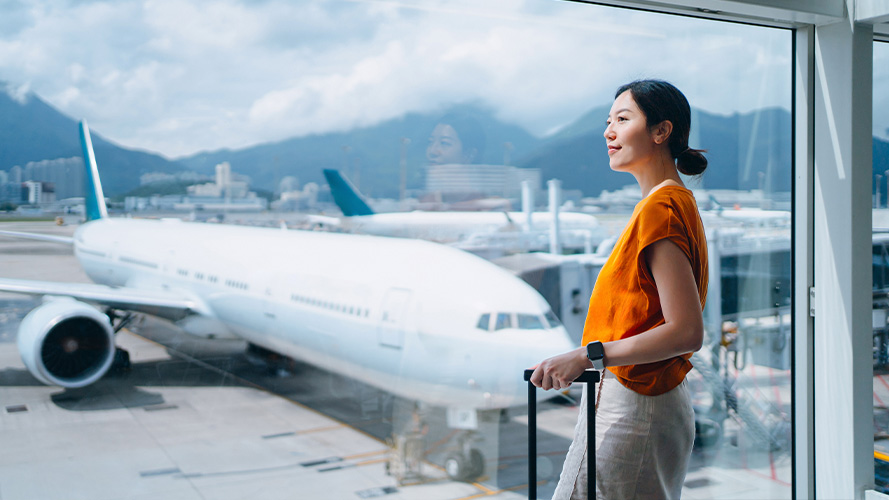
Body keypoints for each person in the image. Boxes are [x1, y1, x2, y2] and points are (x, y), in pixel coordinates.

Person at [530, 79, 709, 500]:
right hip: (650, 399)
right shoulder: (673, 202)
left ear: (661, 132)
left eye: (623, 119)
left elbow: (686, 332)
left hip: (637, 406)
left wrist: (586, 355)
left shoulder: (660, 209)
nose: (608, 132)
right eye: (608, 121)